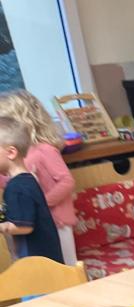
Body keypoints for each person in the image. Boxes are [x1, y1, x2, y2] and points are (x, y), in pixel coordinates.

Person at [0, 90, 77, 265]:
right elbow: (10, 182)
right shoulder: (16, 158)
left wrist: (41, 203)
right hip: (34, 223)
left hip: (57, 222)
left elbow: (66, 181)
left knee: (65, 267)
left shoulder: (44, 150)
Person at [0, 115, 62, 263]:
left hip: (37, 259)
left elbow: (23, 226)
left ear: (11, 153)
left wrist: (3, 227)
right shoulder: (27, 180)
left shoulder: (16, 187)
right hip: (46, 255)